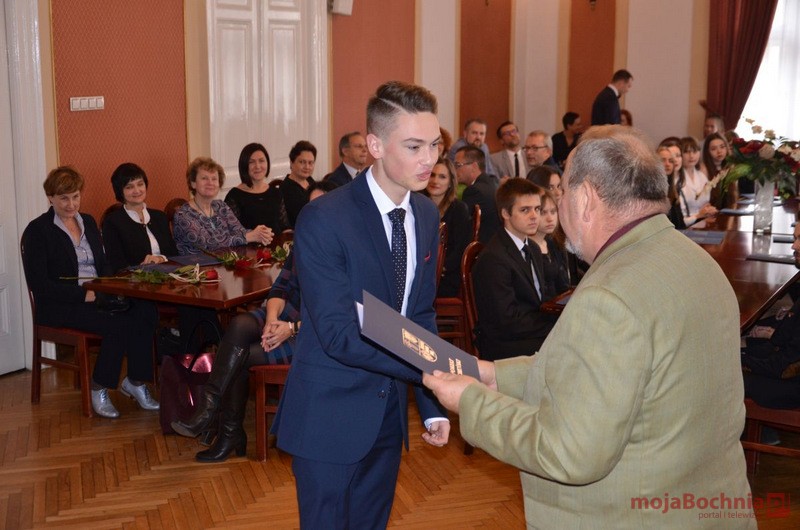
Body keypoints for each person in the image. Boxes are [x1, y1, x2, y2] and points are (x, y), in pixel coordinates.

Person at [423, 125, 754, 528]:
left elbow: (569, 452)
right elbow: (612, 373)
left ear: (586, 199)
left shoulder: (609, 297)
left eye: (562, 192)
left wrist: (472, 401)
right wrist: (495, 375)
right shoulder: (697, 260)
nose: (557, 207)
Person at [273, 81, 450, 529]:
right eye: (414, 146)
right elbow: (338, 334)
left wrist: (431, 403)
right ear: (375, 145)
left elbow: (419, 314)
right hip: (329, 413)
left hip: (388, 413)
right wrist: (433, 373)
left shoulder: (427, 214)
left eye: (435, 145)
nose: (429, 159)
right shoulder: (324, 218)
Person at [171, 180, 337, 462]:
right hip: (285, 316)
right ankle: (208, 411)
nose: (316, 211)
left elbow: (341, 314)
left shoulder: (344, 250)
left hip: (316, 333)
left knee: (242, 355)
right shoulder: (305, 241)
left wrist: (291, 329)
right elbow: (281, 288)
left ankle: (228, 432)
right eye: (311, 206)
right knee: (238, 326)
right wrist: (272, 320)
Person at [21, 166, 160, 418]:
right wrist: (83, 295)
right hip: (60, 305)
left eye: (75, 196)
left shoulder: (88, 221)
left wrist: (107, 286)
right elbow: (40, 284)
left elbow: (103, 264)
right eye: (64, 198)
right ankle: (99, 386)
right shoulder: (38, 231)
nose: (71, 204)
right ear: (50, 197)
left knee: (145, 310)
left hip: (97, 296)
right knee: (118, 323)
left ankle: (135, 381)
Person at [471, 179, 556, 361]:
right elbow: (506, 321)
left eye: (537, 209)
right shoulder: (494, 258)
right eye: (525, 210)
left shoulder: (532, 248)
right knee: (568, 345)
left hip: (527, 331)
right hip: (504, 343)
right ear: (505, 213)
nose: (534, 216)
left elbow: (539, 300)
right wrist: (553, 325)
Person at [743, 219, 800, 410]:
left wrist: (738, 360)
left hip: (792, 384)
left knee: (717, 375)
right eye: (794, 238)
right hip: (786, 364)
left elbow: (784, 368)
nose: (794, 246)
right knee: (749, 342)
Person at [173, 156, 273, 255]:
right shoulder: (183, 215)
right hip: (197, 264)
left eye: (214, 179)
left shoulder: (220, 206)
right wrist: (250, 236)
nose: (210, 183)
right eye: (204, 178)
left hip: (227, 262)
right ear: (193, 183)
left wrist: (261, 233)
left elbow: (239, 231)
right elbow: (209, 245)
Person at [102, 163, 178, 271]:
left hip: (170, 276)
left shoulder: (160, 217)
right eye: (129, 187)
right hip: (134, 279)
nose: (137, 191)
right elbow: (117, 265)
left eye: (140, 184)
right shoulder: (112, 222)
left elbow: (174, 254)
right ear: (120, 191)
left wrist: (161, 258)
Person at [421, 158, 471, 298]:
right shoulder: (416, 205)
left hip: (447, 276)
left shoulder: (459, 209)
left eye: (442, 177)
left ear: (450, 183)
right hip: (421, 272)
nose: (435, 181)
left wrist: (436, 268)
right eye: (432, 175)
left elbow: (460, 249)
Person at [224, 143, 290, 233]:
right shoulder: (234, 196)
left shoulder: (276, 193)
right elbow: (230, 233)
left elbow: (284, 227)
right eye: (251, 162)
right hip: (247, 242)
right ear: (244, 165)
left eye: (261, 161)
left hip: (277, 242)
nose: (257, 166)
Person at [455, 145, 500, 244]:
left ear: (474, 166)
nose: (455, 169)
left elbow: (459, 225)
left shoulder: (474, 191)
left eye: (458, 165)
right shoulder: (489, 184)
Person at [530, 187, 569, 301]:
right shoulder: (526, 248)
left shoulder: (553, 243)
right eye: (543, 213)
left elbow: (563, 285)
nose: (550, 218)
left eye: (553, 212)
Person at [281, 140, 317, 227]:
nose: (307, 167)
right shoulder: (287, 188)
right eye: (302, 162)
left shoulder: (310, 180)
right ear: (291, 163)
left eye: (310, 163)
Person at [702, 132, 735, 207]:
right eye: (713, 149)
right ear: (707, 152)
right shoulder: (704, 169)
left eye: (722, 147)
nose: (719, 151)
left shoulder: (730, 167)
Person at [657, 145, 686, 229]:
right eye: (663, 160)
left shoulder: (673, 191)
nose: (667, 164)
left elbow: (681, 224)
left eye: (670, 161)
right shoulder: (651, 192)